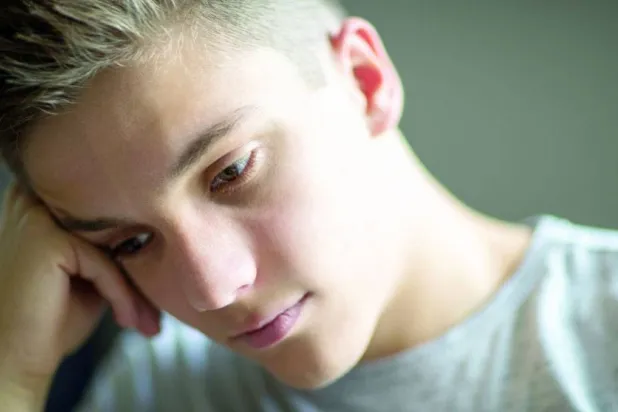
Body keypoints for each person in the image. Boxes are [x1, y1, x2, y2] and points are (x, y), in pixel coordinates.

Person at [1, 0, 617, 411]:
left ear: (364, 80)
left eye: (232, 171)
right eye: (130, 243)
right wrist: (15, 371)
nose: (213, 289)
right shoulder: (160, 393)